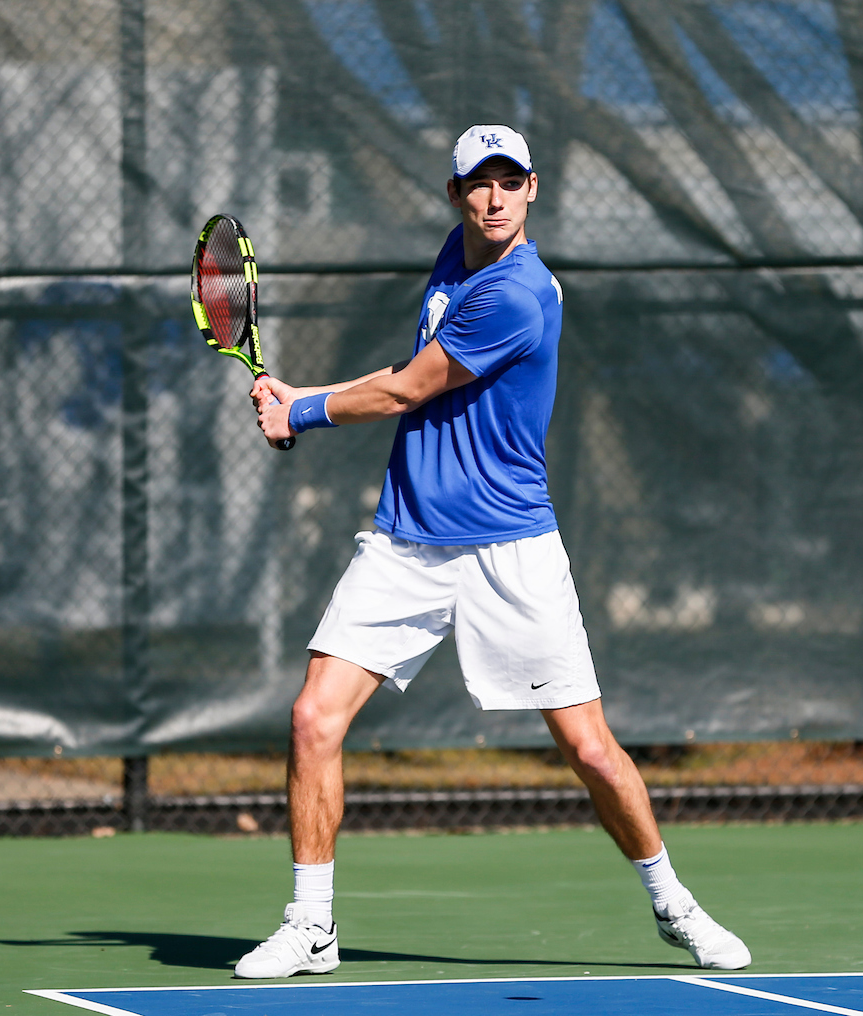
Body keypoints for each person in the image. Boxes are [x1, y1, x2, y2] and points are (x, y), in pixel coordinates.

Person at [234, 125, 751, 979]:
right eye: (479, 183)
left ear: (534, 190)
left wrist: (306, 412)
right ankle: (312, 925)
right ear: (456, 196)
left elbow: (410, 387)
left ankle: (674, 904)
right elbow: (412, 369)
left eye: (511, 181)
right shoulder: (457, 254)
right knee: (312, 718)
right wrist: (306, 394)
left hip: (511, 548)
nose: (494, 197)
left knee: (588, 748)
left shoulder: (517, 292)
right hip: (405, 540)